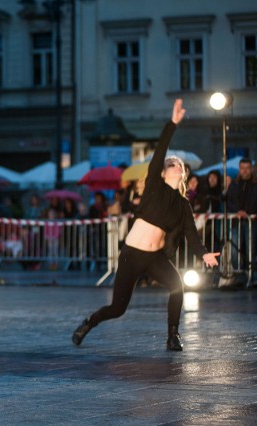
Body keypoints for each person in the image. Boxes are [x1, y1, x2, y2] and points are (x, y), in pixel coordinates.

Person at [71, 99, 219, 351]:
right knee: (118, 309)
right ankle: (89, 322)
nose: (177, 166)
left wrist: (203, 253)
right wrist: (172, 124)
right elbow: (161, 149)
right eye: (172, 164)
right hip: (131, 255)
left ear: (183, 173)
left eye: (179, 165)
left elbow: (190, 233)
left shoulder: (182, 204)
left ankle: (173, 335)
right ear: (162, 172)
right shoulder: (153, 187)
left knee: (177, 286)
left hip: (155, 257)